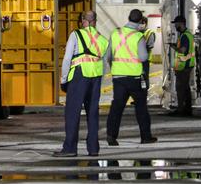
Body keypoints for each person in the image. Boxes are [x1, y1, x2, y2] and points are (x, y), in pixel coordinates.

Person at [54, 10, 108, 157]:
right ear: (95, 22)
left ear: (83, 20)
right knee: (93, 113)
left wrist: (64, 79)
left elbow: (67, 59)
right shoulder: (103, 40)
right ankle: (93, 149)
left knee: (73, 113)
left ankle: (70, 148)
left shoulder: (76, 35)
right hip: (95, 78)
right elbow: (105, 63)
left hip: (79, 77)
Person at [106, 8, 158, 146]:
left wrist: (115, 68)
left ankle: (111, 135)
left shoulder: (115, 33)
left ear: (128, 18)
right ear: (141, 21)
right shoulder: (138, 36)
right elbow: (143, 57)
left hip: (118, 77)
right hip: (135, 78)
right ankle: (145, 137)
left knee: (117, 107)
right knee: (141, 107)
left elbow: (108, 56)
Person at [170, 15, 196, 117]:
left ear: (181, 23)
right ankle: (187, 109)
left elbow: (182, 50)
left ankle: (181, 109)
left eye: (176, 24)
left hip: (184, 66)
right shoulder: (187, 34)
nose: (175, 26)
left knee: (181, 88)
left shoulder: (185, 36)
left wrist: (174, 47)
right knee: (186, 88)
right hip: (186, 65)